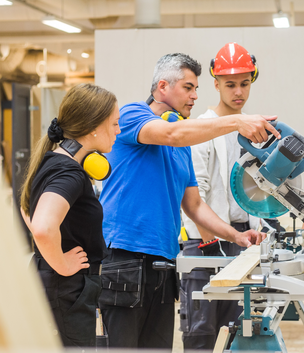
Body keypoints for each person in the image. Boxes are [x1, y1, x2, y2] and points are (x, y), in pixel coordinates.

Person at [98, 52, 279, 350]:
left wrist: (237, 235)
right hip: (125, 258)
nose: (195, 96)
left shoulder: (182, 145)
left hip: (163, 263)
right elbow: (171, 133)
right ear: (162, 87)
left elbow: (194, 206)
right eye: (188, 87)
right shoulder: (131, 115)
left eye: (197, 88)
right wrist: (236, 122)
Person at [179, 42, 267, 351]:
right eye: (230, 84)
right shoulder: (201, 128)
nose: (238, 91)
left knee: (238, 334)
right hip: (205, 244)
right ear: (216, 84)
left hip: (243, 240)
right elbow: (195, 197)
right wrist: (212, 245)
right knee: (200, 336)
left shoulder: (253, 129)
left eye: (244, 83)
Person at [19, 83, 120, 347]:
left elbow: (26, 207)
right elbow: (41, 226)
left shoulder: (51, 160)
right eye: (114, 124)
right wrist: (61, 264)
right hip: (66, 288)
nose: (118, 131)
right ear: (94, 127)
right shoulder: (70, 173)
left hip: (58, 285)